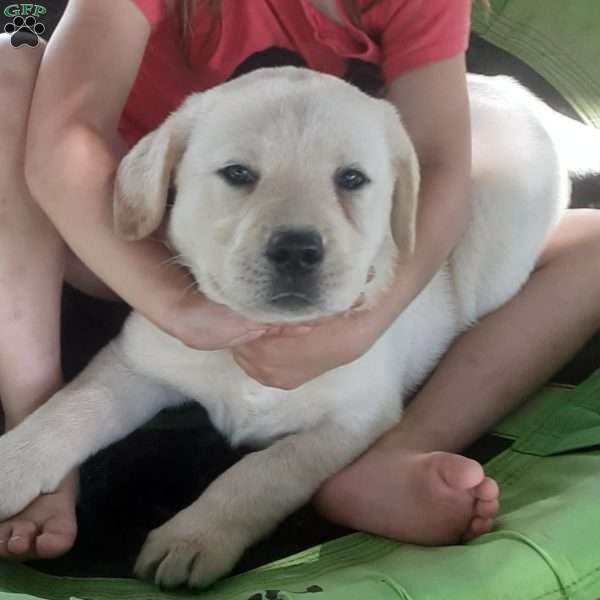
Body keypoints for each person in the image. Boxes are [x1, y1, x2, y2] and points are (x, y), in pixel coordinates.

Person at [1, 0, 600, 562]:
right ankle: (28, 420)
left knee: (518, 241)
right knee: (11, 44)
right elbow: (64, 141)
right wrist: (172, 305)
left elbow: (439, 161)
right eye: (239, 172)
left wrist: (364, 326)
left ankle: (395, 455)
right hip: (121, 212)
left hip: (257, 191)